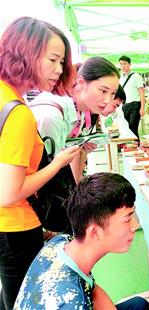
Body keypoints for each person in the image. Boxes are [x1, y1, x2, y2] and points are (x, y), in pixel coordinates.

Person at [0, 16, 80, 310]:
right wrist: (57, 163)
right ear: (26, 51)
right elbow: (9, 192)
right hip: (16, 228)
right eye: (53, 59)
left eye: (62, 62)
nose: (59, 70)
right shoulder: (18, 113)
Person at [14, 172, 149, 310]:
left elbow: (90, 287)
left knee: (139, 305)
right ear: (95, 232)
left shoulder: (61, 243)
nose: (135, 225)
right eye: (128, 219)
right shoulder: (73, 304)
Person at [29, 57, 120, 182]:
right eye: (103, 91)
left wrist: (79, 148)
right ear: (81, 83)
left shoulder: (80, 113)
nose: (107, 100)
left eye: (112, 93)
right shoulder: (53, 116)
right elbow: (42, 167)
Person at [119, 55, 145, 141]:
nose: (123, 66)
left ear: (130, 64)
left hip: (135, 105)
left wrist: (142, 108)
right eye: (121, 64)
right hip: (125, 105)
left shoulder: (136, 76)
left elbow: (142, 93)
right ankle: (130, 148)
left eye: (125, 64)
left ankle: (137, 147)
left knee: (133, 128)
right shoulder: (121, 78)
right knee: (127, 129)